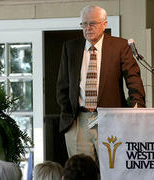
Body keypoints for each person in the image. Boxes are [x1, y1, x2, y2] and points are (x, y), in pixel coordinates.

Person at [56, 5, 145, 162]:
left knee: (112, 170)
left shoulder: (120, 46)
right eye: (84, 24)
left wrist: (137, 105)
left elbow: (133, 78)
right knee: (81, 172)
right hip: (78, 120)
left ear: (104, 24)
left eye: (93, 23)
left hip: (110, 118)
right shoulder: (70, 48)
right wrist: (69, 113)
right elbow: (62, 86)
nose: (88, 28)